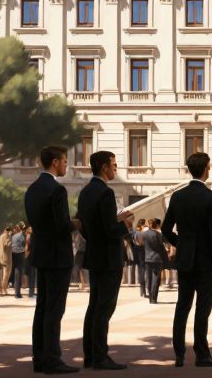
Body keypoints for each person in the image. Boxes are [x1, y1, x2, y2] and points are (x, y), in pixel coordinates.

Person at [161, 152, 212, 368]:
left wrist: (181, 243)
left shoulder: (177, 196)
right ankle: (201, 353)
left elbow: (165, 228)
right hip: (206, 259)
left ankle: (179, 353)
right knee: (202, 308)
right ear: (206, 169)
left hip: (186, 258)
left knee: (182, 306)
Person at [25, 145, 78, 374]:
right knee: (55, 310)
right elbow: (62, 226)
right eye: (65, 161)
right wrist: (76, 224)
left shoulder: (32, 189)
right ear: (55, 162)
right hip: (58, 255)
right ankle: (53, 359)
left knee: (42, 308)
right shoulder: (57, 190)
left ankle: (39, 357)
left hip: (41, 253)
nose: (66, 165)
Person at [77, 150, 130, 371]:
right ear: (103, 167)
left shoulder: (85, 192)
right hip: (109, 257)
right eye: (113, 165)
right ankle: (100, 356)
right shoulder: (106, 193)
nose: (115, 168)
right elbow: (110, 228)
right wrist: (124, 226)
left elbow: (86, 228)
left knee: (94, 306)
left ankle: (90, 354)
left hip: (94, 254)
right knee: (104, 308)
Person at [143, 218, 167, 303]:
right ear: (156, 225)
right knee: (156, 279)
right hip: (157, 259)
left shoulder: (144, 234)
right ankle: (154, 298)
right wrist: (165, 257)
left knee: (148, 278)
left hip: (147, 259)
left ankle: (150, 297)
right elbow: (162, 247)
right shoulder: (158, 234)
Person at [0, 226, 14, 295]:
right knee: (6, 274)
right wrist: (10, 239)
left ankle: (0, 289)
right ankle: (4, 289)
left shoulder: (1, 236)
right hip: (7, 258)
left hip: (1, 258)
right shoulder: (7, 236)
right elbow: (7, 245)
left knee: (1, 274)